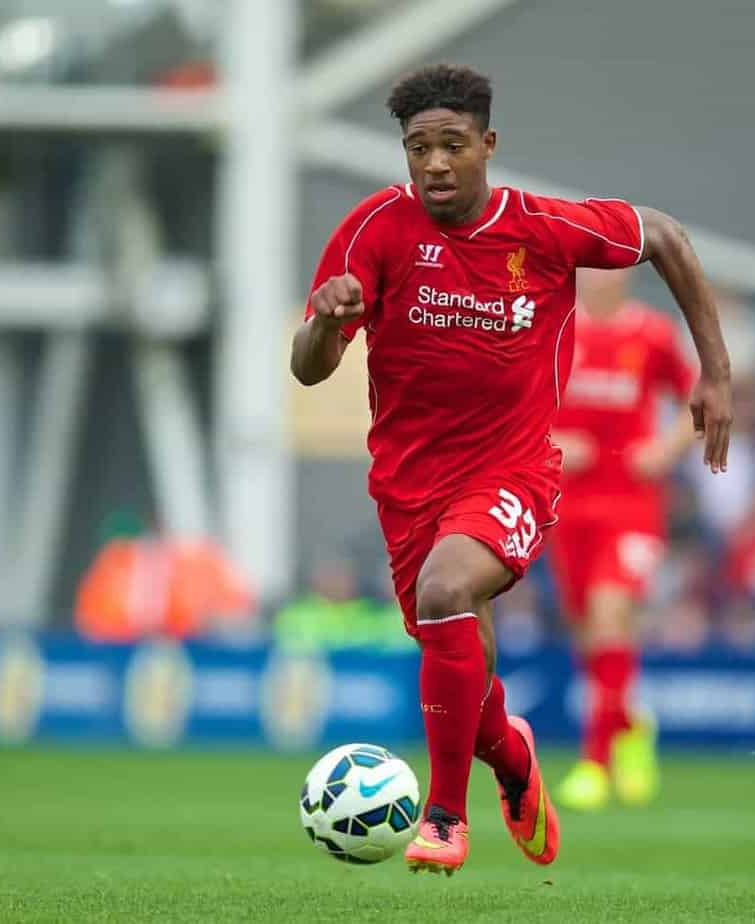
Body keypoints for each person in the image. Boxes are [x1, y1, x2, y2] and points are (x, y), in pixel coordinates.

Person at [290, 64, 732, 875]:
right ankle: (514, 759)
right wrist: (326, 319)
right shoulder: (373, 230)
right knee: (460, 656)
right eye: (417, 148)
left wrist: (714, 371)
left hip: (514, 471)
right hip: (406, 486)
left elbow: (665, 235)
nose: (433, 164)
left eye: (451, 145)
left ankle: (445, 816)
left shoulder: (543, 227)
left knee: (448, 590)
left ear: (487, 145)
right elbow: (309, 369)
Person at [547, 267, 700, 811]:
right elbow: (517, 408)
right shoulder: (555, 330)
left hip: (632, 503)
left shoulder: (652, 335)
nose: (594, 276)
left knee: (610, 613)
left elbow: (699, 400)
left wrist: (666, 448)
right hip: (566, 504)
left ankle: (595, 764)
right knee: (589, 632)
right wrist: (555, 439)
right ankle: (631, 726)